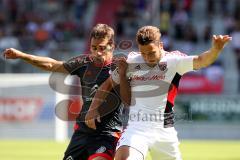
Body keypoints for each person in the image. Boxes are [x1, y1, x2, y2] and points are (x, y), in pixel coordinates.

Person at [85, 26, 231, 160]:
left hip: (164, 132)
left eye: (151, 53)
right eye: (143, 53)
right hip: (138, 128)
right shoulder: (131, 62)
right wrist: (92, 109)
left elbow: (201, 61)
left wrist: (215, 50)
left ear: (161, 45)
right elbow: (108, 83)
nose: (147, 58)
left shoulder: (174, 61)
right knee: (123, 157)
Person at [3, 23, 131, 160]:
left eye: (102, 48)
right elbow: (52, 65)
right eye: (94, 48)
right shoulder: (84, 63)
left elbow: (129, 96)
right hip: (82, 133)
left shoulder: (120, 68)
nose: (97, 52)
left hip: (106, 134)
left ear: (111, 45)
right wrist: (22, 55)